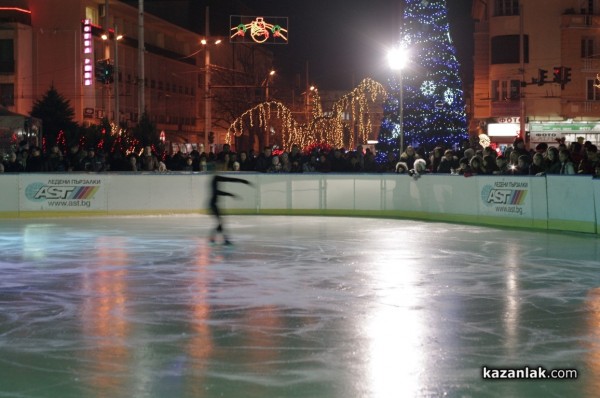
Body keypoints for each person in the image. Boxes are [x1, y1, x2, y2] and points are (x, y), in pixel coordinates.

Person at [209, 162, 253, 245]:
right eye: (218, 169)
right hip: (212, 204)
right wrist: (230, 194)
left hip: (213, 204)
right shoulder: (214, 179)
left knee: (220, 222)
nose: (219, 170)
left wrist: (242, 181)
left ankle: (214, 239)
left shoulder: (216, 178)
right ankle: (224, 240)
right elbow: (216, 192)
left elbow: (229, 179)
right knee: (220, 222)